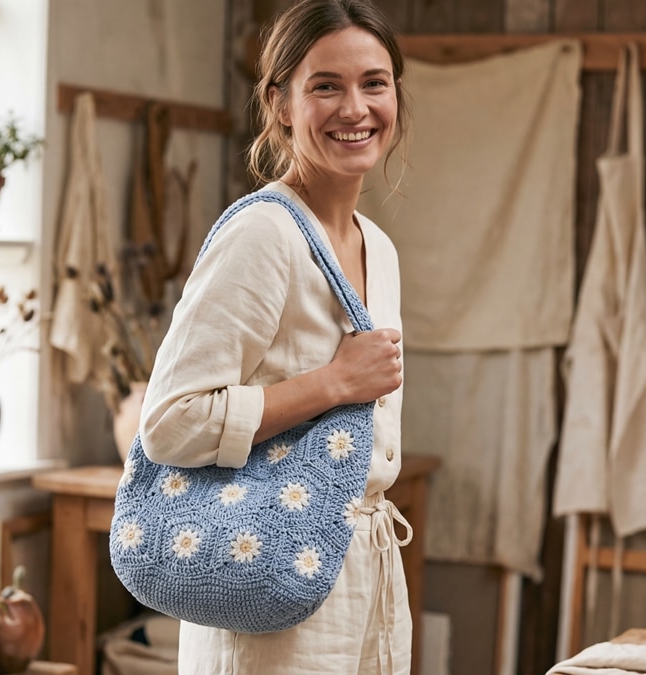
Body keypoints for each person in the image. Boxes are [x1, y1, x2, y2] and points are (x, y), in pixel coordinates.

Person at [138, 0, 412, 672]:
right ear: (281, 104)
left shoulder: (379, 247)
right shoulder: (263, 234)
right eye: (326, 86)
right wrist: (334, 383)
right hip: (268, 575)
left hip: (364, 573)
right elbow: (170, 423)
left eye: (374, 83)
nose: (356, 108)